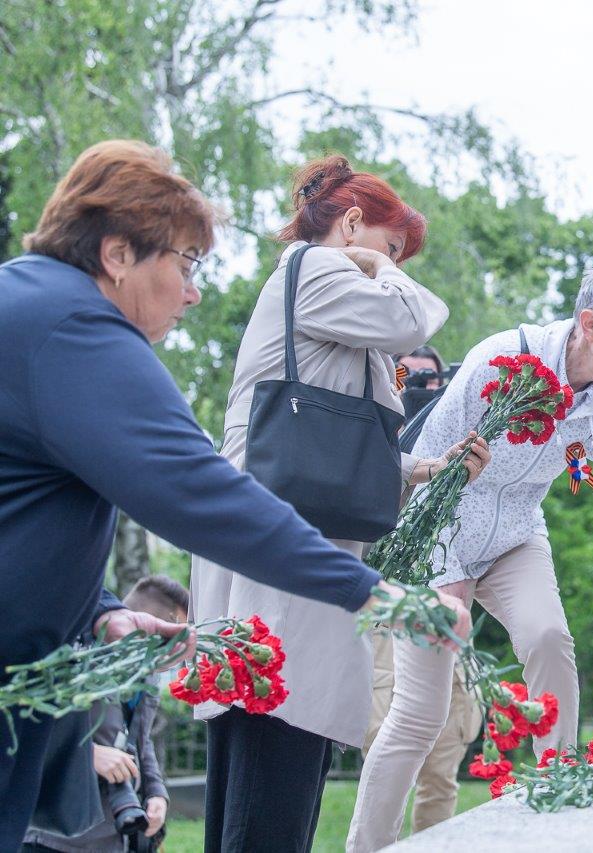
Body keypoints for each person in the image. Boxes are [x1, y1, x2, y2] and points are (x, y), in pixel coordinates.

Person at [0, 140, 468, 852]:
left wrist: (100, 610)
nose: (193, 292)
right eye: (187, 262)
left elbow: (28, 503)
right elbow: (199, 491)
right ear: (118, 254)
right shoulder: (76, 329)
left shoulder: (32, 306)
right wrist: (379, 594)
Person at [348, 261, 593, 852]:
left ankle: (561, 802)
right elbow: (425, 465)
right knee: (421, 715)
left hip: (515, 539)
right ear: (589, 323)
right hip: (438, 537)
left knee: (549, 638)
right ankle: (367, 847)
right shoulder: (502, 359)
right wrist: (442, 571)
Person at [189, 155, 489, 853]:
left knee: (262, 735)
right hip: (285, 541)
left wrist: (422, 468)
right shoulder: (320, 268)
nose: (394, 264)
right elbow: (417, 317)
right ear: (351, 223)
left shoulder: (309, 284)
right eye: (393, 245)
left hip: (278, 523)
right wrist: (378, 265)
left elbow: (335, 435)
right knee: (278, 732)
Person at [364, 345, 483, 834]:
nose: (418, 387)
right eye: (406, 376)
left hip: (447, 615)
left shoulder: (459, 437)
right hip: (387, 614)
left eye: (430, 380)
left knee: (442, 768)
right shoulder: (374, 436)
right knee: (388, 748)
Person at [23, 576, 190, 853]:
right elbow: (27, 724)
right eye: (171, 634)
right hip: (54, 833)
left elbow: (142, 739)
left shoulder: (146, 672)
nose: (175, 648)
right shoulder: (74, 657)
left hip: (115, 833)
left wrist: (157, 794)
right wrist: (88, 754)